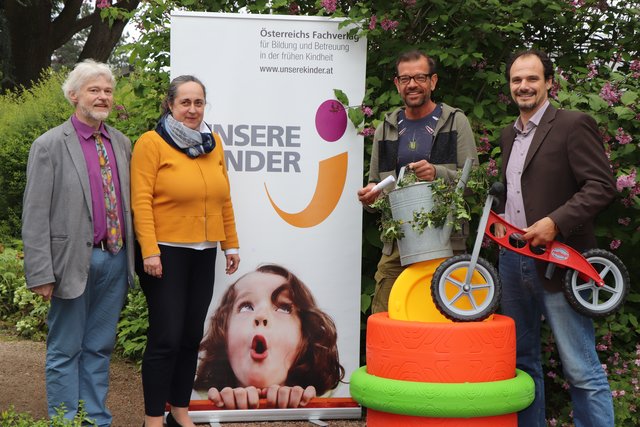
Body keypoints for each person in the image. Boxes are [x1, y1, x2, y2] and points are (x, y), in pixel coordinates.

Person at [497, 49, 616, 426]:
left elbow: (601, 186)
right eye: (517, 80)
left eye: (532, 78)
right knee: (521, 365)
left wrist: (556, 222)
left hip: (560, 259)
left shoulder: (573, 123)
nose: (524, 86)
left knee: (581, 369)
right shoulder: (507, 135)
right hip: (513, 261)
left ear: (550, 82)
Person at [21, 60, 135, 426]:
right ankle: (65, 419)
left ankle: (95, 419)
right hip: (70, 262)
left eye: (106, 90)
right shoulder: (49, 145)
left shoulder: (121, 143)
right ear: (73, 95)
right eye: (93, 90)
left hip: (115, 261)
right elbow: (35, 214)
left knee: (99, 348)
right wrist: (40, 272)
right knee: (64, 350)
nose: (102, 97)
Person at [131, 75, 240, 427]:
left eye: (198, 103)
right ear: (170, 105)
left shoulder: (213, 143)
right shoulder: (152, 142)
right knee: (166, 337)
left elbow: (223, 197)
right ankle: (152, 418)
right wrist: (149, 250)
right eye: (185, 103)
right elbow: (141, 201)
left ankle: (179, 411)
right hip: (164, 253)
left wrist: (230, 243)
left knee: (192, 336)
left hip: (203, 251)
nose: (192, 109)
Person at [357, 50, 478, 313]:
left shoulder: (456, 121)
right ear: (397, 84)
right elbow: (376, 186)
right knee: (384, 318)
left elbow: (475, 183)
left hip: (446, 242)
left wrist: (437, 174)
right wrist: (371, 196)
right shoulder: (385, 128)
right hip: (397, 243)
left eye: (420, 77)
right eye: (406, 78)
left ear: (433, 81)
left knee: (442, 324)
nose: (412, 84)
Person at [193, 264, 344, 409]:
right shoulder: (192, 402)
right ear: (224, 333)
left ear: (305, 336)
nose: (261, 316)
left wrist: (310, 405)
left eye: (284, 308)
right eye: (246, 306)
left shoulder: (334, 401)